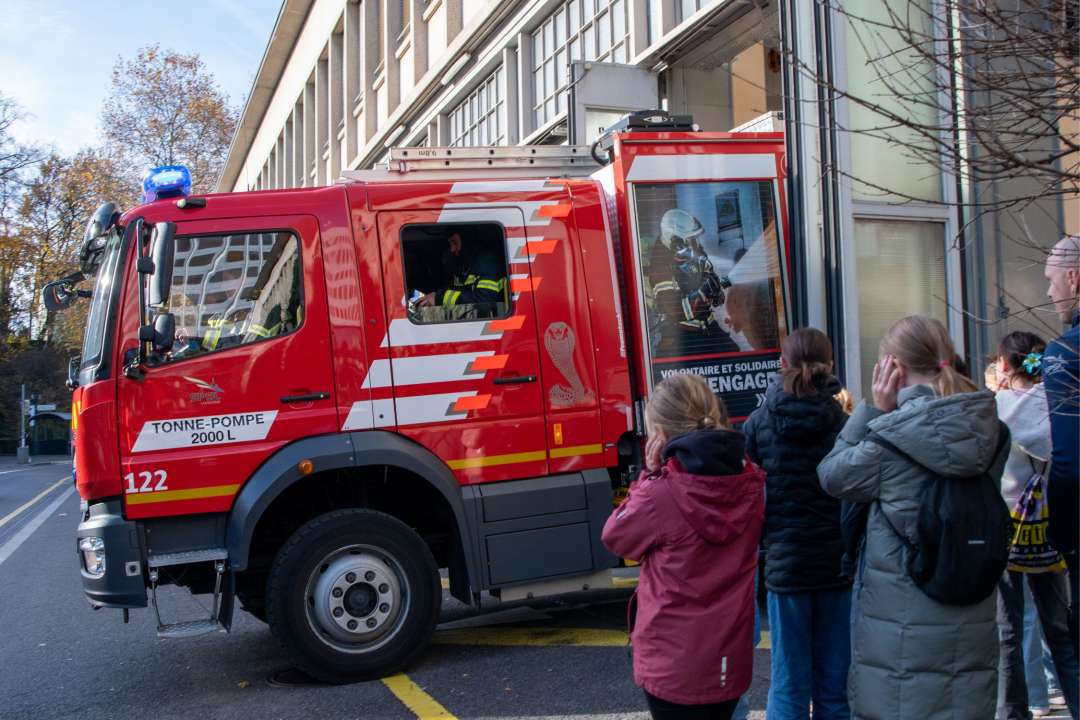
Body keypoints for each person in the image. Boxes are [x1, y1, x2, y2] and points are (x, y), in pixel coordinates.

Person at [817, 315, 1006, 720]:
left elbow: (832, 476)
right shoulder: (990, 430)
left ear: (892, 368)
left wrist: (870, 411)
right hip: (972, 616)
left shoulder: (889, 438)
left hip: (900, 628)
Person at [602, 374, 764, 719]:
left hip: (673, 663)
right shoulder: (750, 482)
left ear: (660, 435)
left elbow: (615, 536)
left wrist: (649, 474)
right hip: (728, 660)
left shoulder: (661, 494)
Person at [740, 328, 850, 720]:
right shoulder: (843, 423)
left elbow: (747, 495)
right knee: (835, 685)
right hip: (837, 566)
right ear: (830, 366)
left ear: (781, 364)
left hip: (786, 568)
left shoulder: (757, 423)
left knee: (788, 684)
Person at [988, 331, 1079, 719]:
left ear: (1003, 365)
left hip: (1006, 534)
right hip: (1050, 533)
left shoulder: (992, 409)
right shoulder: (1057, 407)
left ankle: (1014, 713)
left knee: (1007, 634)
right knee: (1061, 633)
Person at [1043, 234, 1080, 653]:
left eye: (1052, 280)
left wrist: (1064, 536)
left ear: (1072, 278)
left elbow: (1069, 458)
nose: (1048, 292)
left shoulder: (1065, 354)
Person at [416, 231, 506, 319]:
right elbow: (461, 295)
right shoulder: (466, 264)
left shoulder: (488, 262)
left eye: (455, 243)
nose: (452, 249)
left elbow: (485, 302)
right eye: (450, 243)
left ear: (468, 239)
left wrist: (439, 298)